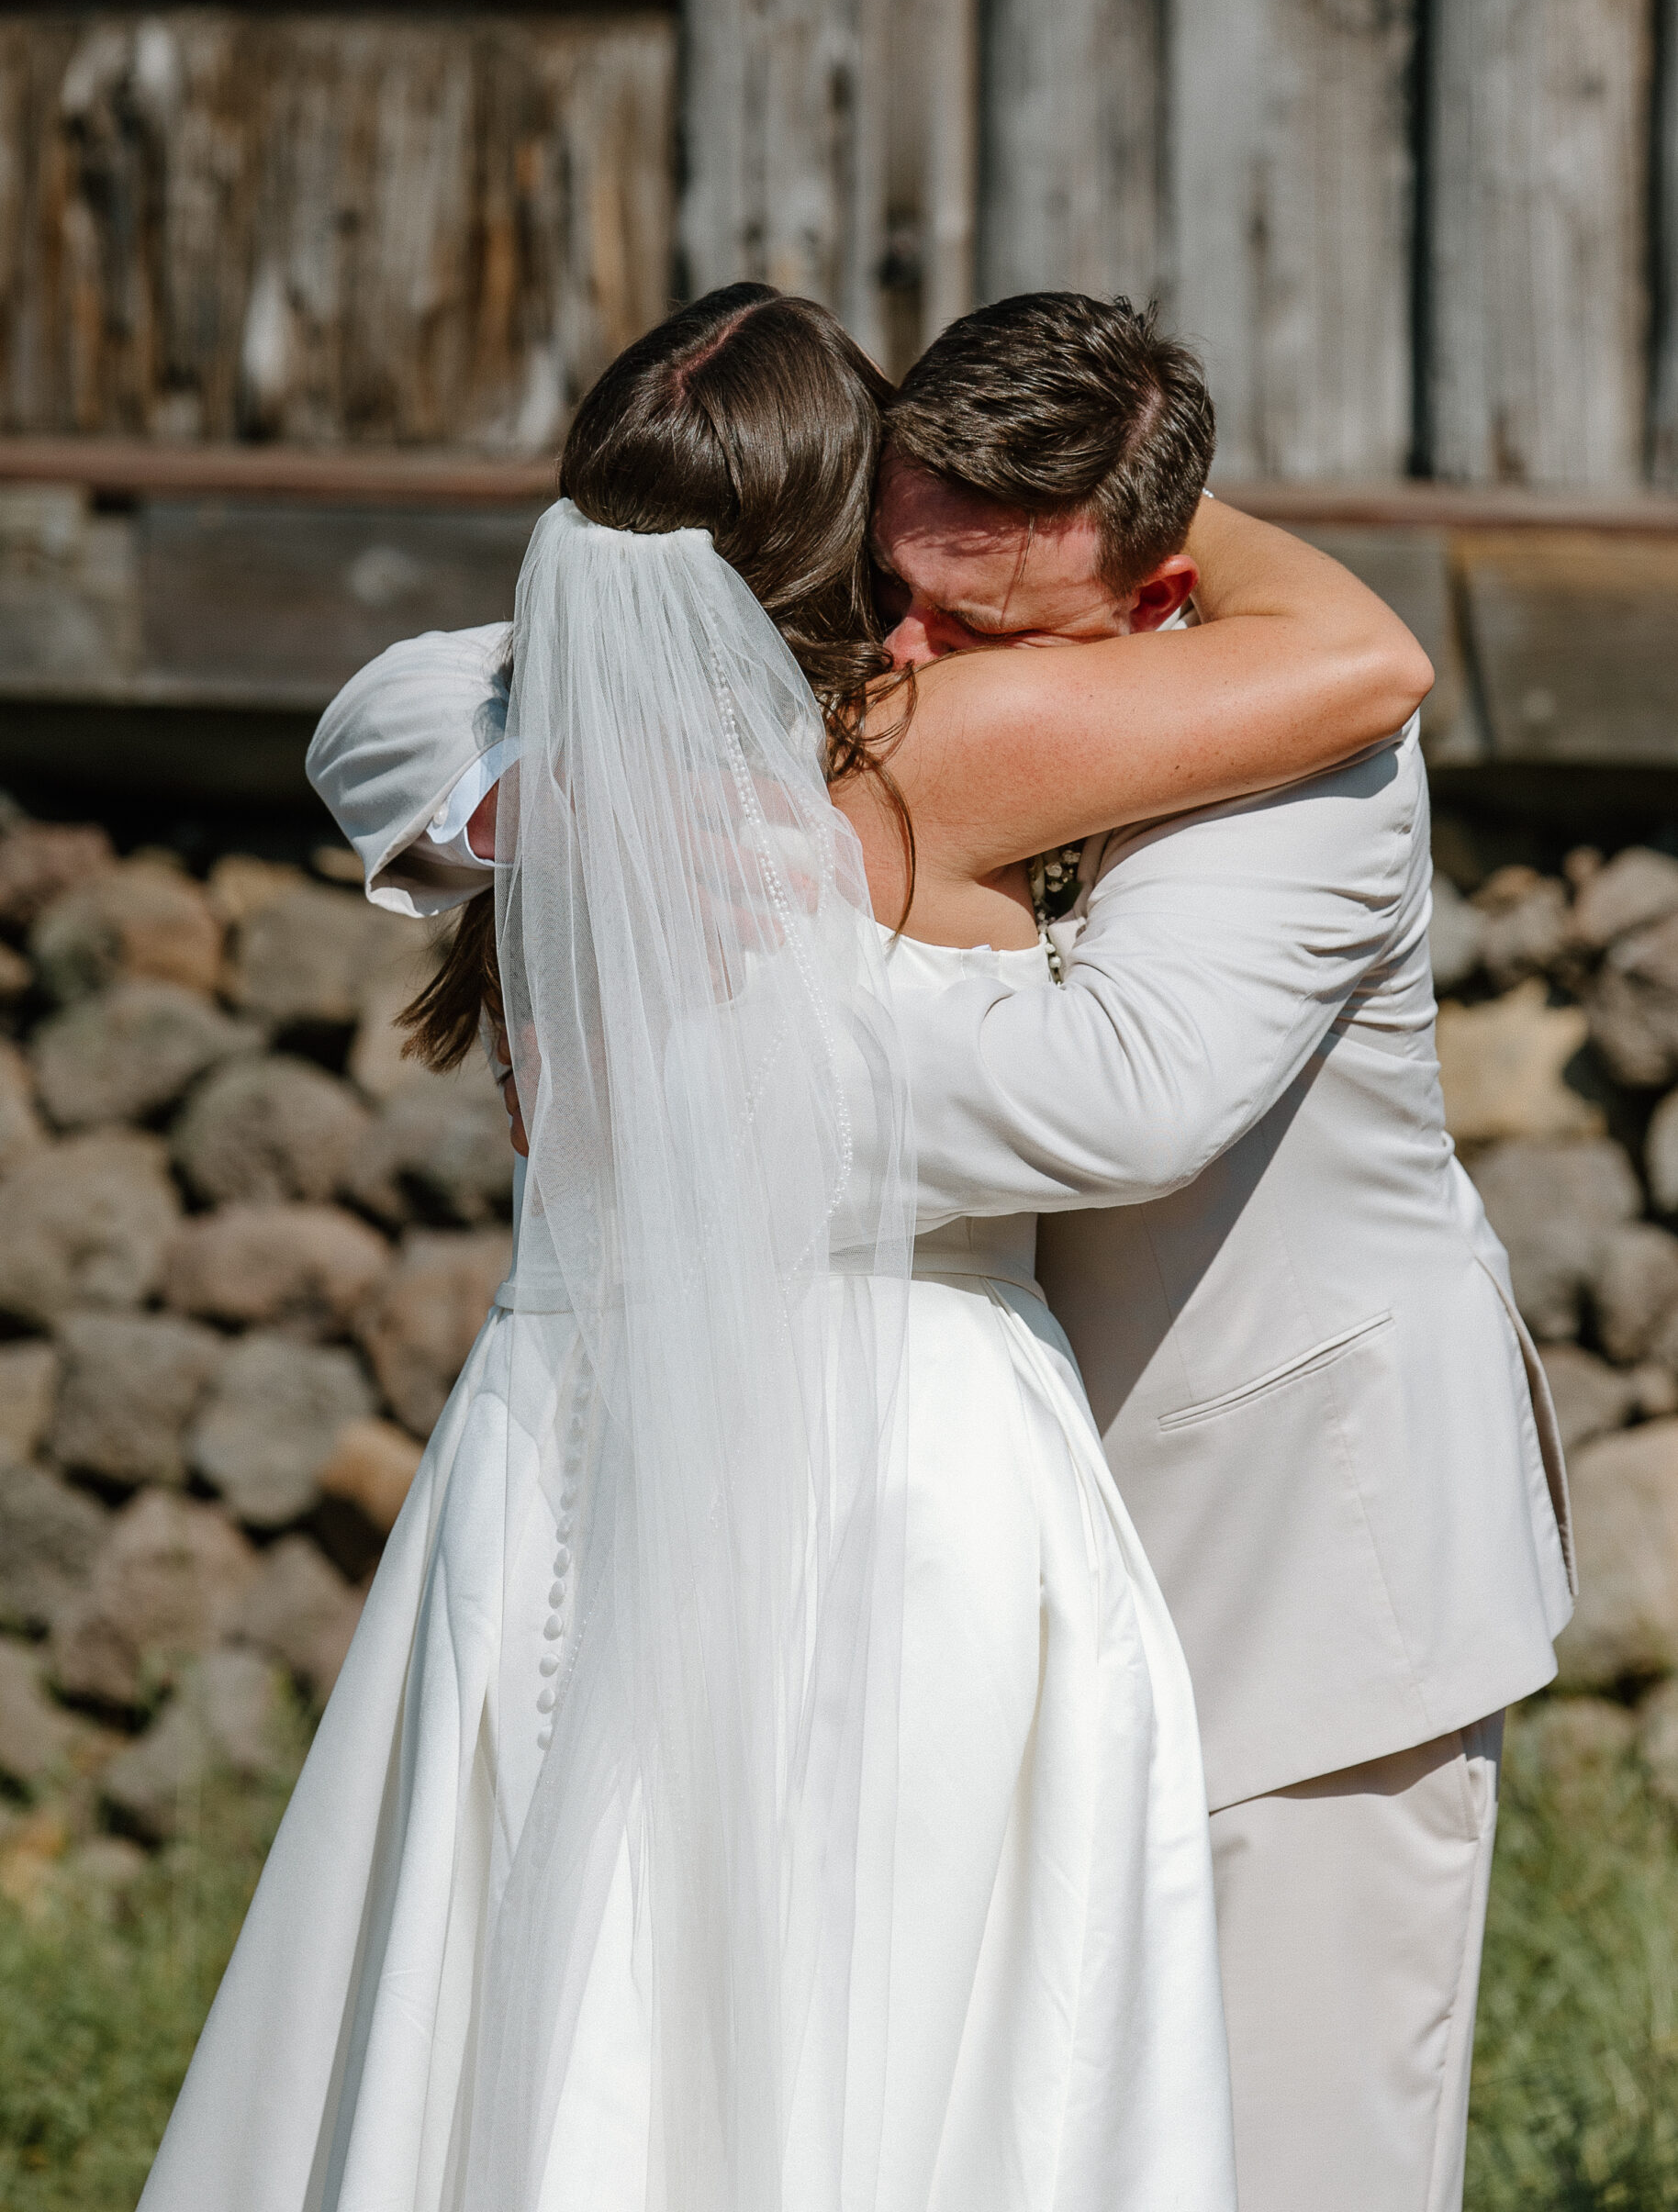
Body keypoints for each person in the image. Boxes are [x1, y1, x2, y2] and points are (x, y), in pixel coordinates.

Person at [145, 283, 1427, 2212]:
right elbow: (1356, 656)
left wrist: (569, 891)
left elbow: (393, 694)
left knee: (533, 1993)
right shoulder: (940, 741)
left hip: (560, 1444)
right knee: (897, 2043)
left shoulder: (571, 736)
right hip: (902, 1459)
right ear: (849, 524)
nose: (925, 630)